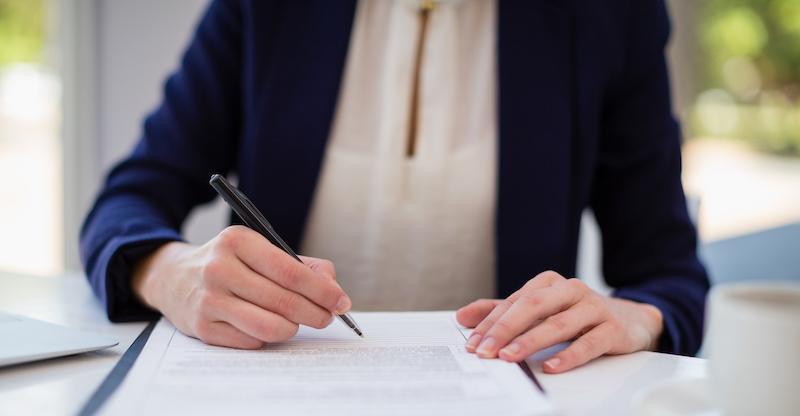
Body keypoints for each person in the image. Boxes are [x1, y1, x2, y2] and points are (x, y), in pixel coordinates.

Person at [80, 0, 709, 373]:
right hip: (274, 405)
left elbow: (670, 275)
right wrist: (169, 272)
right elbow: (130, 197)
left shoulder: (609, 13)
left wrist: (635, 317)